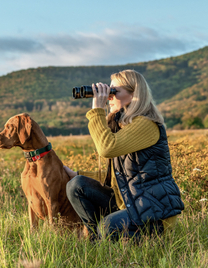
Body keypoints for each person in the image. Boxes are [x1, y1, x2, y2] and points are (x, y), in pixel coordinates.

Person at [64, 69, 184, 240]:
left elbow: (107, 148)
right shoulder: (121, 125)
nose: (108, 97)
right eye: (108, 92)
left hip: (153, 211)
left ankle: (151, 238)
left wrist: (97, 109)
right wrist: (77, 174)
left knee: (107, 226)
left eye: (114, 92)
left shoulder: (146, 124)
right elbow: (117, 176)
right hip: (131, 203)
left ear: (134, 94)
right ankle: (96, 241)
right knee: (76, 185)